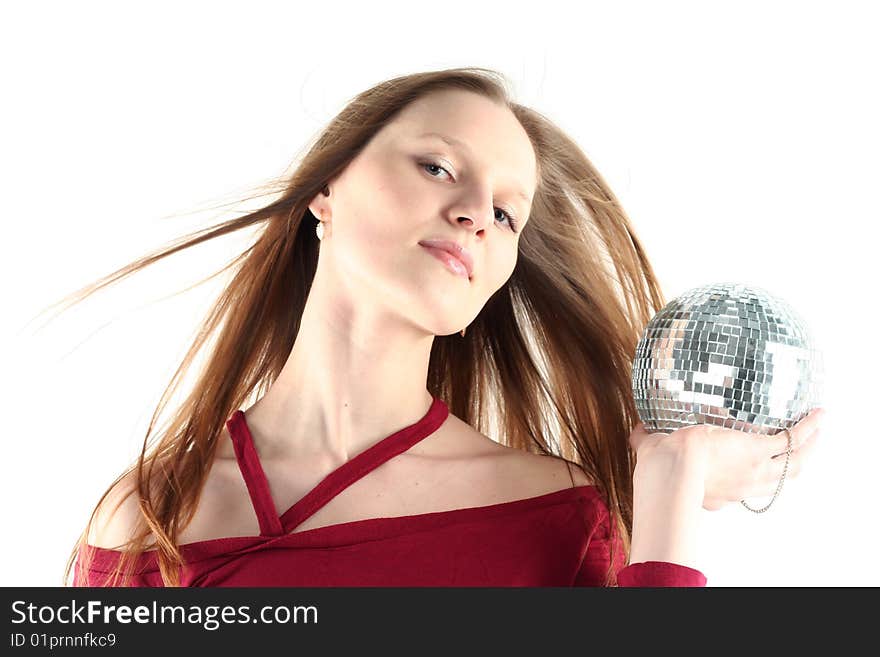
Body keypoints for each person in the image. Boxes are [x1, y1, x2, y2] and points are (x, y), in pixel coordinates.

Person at [63, 67, 823, 587]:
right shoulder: (149, 515)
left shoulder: (558, 520)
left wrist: (671, 485)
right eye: (437, 166)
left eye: (505, 212)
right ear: (327, 188)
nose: (474, 215)